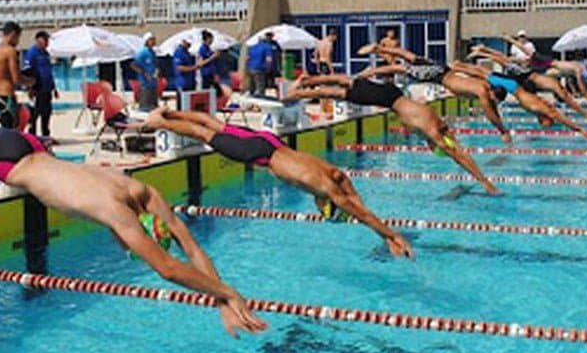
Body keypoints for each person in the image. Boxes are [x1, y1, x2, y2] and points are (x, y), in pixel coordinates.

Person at [0, 53, 268, 338]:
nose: (124, 246)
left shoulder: (141, 189)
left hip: (31, 148)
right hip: (14, 165)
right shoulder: (118, 215)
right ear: (137, 232)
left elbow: (191, 246)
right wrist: (228, 296)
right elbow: (170, 268)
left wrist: (220, 293)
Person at [142, 109, 414, 258]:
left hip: (270, 140)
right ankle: (158, 121)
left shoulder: (332, 172)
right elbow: (359, 212)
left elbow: (351, 191)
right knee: (203, 132)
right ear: (328, 202)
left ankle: (168, 112)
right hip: (260, 153)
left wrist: (370, 218)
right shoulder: (324, 186)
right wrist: (391, 236)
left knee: (213, 123)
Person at [284, 58, 500, 196]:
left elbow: (455, 149)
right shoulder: (433, 128)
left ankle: (306, 82)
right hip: (391, 98)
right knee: (340, 90)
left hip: (394, 95)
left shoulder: (434, 125)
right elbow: (458, 154)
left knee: (347, 84)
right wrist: (484, 182)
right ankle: (300, 91)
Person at [448, 61, 587, 136]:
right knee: (483, 75)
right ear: (546, 118)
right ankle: (457, 67)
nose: (543, 126)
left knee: (485, 74)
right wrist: (577, 129)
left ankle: (459, 66)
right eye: (547, 124)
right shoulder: (542, 108)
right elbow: (559, 117)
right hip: (513, 87)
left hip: (514, 87)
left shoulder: (538, 109)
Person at [467, 43, 587, 119]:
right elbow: (570, 101)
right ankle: (482, 51)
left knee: (505, 61)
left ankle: (483, 51)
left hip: (528, 77)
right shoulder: (556, 84)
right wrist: (584, 111)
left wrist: (585, 108)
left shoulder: (554, 81)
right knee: (504, 61)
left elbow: (570, 100)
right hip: (526, 76)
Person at [0, 22, 23, 129]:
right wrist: (31, 81)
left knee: (4, 130)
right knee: (12, 131)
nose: (18, 42)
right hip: (8, 97)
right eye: (18, 38)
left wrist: (0, 80)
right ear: (13, 35)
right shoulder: (10, 52)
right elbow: (16, 79)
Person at [22, 31, 58, 139]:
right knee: (35, 114)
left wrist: (54, 88)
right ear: (39, 40)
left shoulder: (45, 54)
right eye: (45, 40)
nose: (47, 42)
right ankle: (32, 136)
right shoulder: (32, 53)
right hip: (38, 88)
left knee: (46, 113)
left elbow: (49, 71)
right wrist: (30, 88)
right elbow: (27, 71)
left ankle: (45, 136)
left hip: (47, 88)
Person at [132, 33, 160, 111]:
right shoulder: (142, 52)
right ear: (147, 41)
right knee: (145, 107)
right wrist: (145, 73)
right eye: (152, 39)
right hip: (145, 84)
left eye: (154, 39)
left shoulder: (153, 52)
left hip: (153, 83)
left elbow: (155, 65)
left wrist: (157, 71)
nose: (154, 41)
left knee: (154, 107)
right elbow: (134, 65)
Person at [194, 30, 224, 95]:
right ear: (206, 40)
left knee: (217, 93)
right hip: (205, 75)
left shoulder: (209, 48)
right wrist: (212, 57)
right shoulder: (202, 49)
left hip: (211, 74)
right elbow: (200, 63)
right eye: (210, 40)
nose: (211, 41)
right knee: (209, 92)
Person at [245, 32, 276, 97]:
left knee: (252, 86)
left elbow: (247, 58)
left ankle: (251, 98)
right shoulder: (267, 47)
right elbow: (269, 59)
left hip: (251, 68)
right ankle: (260, 100)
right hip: (260, 69)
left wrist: (247, 67)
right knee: (260, 87)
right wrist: (269, 68)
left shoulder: (252, 47)